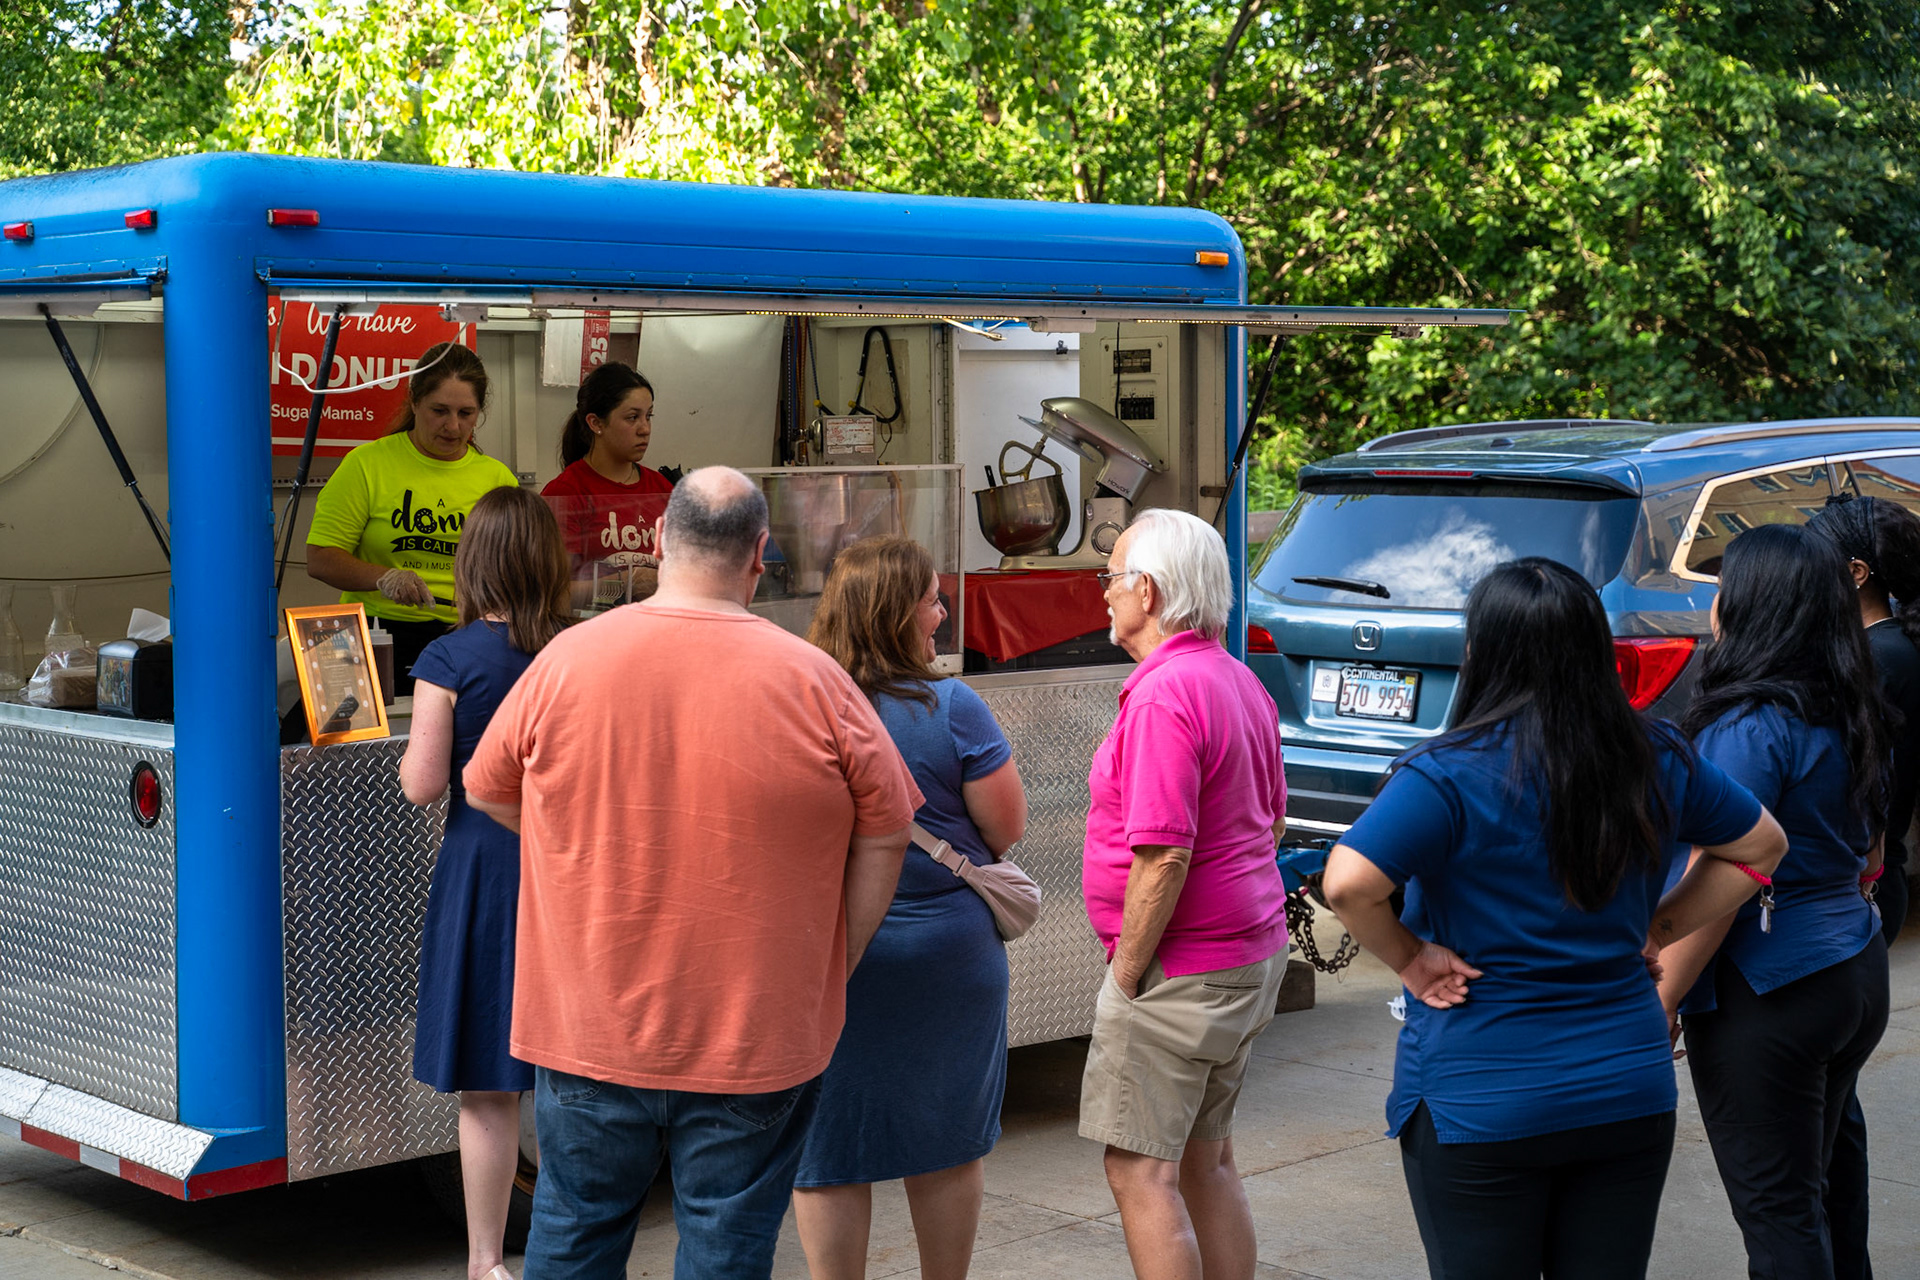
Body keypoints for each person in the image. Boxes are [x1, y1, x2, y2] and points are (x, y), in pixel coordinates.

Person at [461, 466, 922, 1280]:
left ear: (658, 540)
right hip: (756, 1032)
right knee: (726, 1249)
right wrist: (837, 958)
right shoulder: (816, 678)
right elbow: (888, 830)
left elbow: (486, 789)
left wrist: (583, 843)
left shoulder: (568, 660)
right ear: (760, 553)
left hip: (588, 1026)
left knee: (573, 1235)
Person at [1322, 557, 1788, 1280]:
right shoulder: (1656, 755)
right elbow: (1762, 846)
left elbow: (1350, 885)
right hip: (1625, 1088)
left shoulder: (1446, 774)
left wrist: (1412, 959)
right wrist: (1659, 927)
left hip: (1481, 1098)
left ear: (1479, 652)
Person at [1656, 523, 1891, 1280]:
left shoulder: (1749, 724)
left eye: (1723, 587)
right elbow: (1872, 853)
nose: (1713, 601)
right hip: (1854, 963)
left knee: (1780, 1214)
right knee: (1829, 1181)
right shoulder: (1851, 706)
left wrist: (1662, 994)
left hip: (1771, 985)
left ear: (1752, 604)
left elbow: (1725, 875)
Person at [794, 536, 1028, 1280]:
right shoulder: (953, 707)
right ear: (896, 614)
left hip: (834, 961)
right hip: (946, 964)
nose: (943, 611)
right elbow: (1006, 829)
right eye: (932, 599)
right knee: (945, 1143)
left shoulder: (803, 707)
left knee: (827, 1151)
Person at [1078, 508, 1289, 1280]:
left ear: (1149, 591)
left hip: (1183, 972)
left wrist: (1127, 974)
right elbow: (1272, 822)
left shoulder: (1165, 695)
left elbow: (1164, 855)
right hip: (1244, 955)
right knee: (1208, 1160)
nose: (1104, 592)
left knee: (1140, 1172)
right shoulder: (1236, 679)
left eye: (1112, 577)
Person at [398, 486, 573, 1280]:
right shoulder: (579, 648)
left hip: (484, 876)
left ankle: (485, 1261)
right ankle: (574, 1244)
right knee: (575, 1076)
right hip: (572, 869)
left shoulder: (448, 658)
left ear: (472, 563)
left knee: (488, 1086)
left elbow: (423, 784)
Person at [1809, 493, 1920, 1280]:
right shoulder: (1888, 651)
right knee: (1833, 1115)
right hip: (1875, 888)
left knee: (1811, 1135)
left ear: (1854, 573)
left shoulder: (1880, 662)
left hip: (1860, 891)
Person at [307, 342, 518, 694]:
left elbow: (520, 567)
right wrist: (384, 578)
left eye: (466, 413)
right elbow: (321, 559)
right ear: (414, 401)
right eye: (440, 410)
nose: (453, 426)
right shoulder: (366, 464)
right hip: (375, 635)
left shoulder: (498, 479)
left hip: (468, 636)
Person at [539, 363, 673, 608]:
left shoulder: (662, 489)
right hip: (592, 627)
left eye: (648, 416)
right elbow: (555, 594)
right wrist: (626, 582)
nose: (645, 429)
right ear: (596, 423)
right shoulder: (565, 493)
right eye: (632, 418)